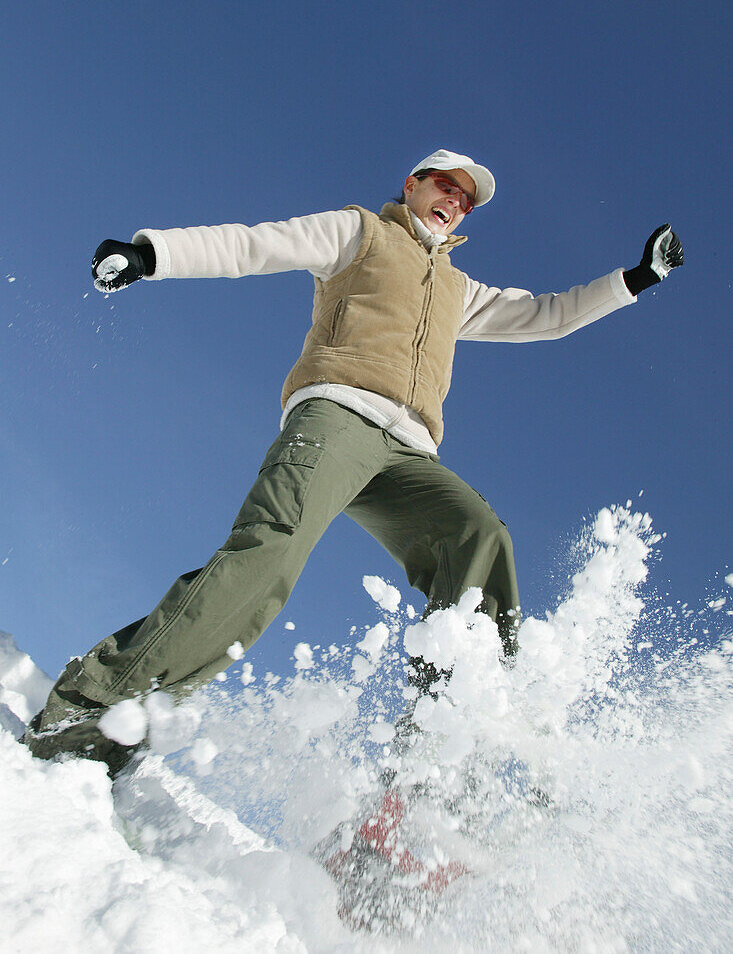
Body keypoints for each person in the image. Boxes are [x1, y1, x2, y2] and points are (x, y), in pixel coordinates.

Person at [23, 148, 684, 776]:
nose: (453, 201)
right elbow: (257, 244)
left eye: (465, 199)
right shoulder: (358, 234)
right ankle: (88, 716)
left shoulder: (460, 289)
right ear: (413, 184)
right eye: (444, 185)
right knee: (266, 558)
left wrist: (635, 280)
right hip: (336, 417)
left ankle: (427, 780)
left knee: (478, 540)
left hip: (409, 453)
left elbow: (546, 315)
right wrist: (149, 253)